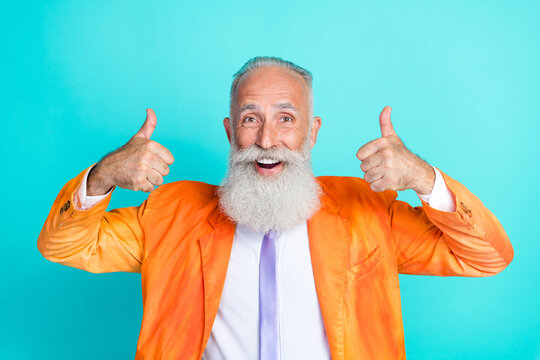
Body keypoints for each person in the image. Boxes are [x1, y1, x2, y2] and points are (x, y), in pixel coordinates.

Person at [38, 56, 514, 360]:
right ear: (230, 132)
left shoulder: (367, 210)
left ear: (312, 132)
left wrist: (423, 180)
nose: (267, 140)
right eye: (251, 120)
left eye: (286, 119)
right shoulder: (170, 213)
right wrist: (101, 177)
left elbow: (485, 256)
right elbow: (62, 246)